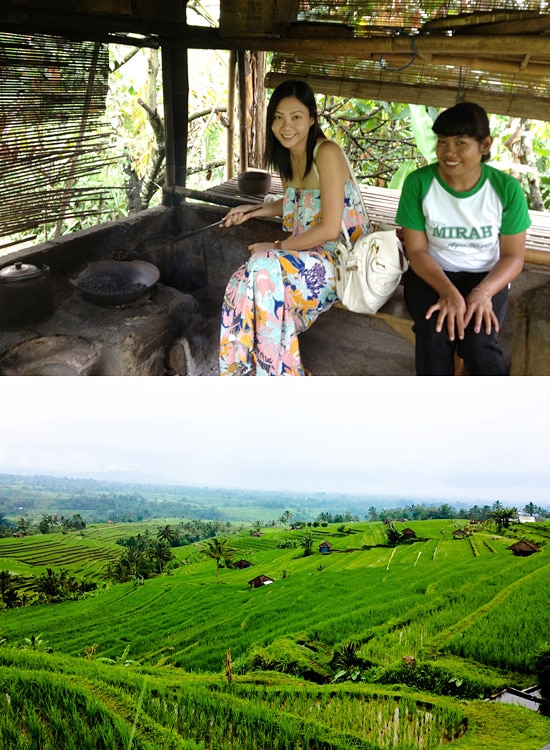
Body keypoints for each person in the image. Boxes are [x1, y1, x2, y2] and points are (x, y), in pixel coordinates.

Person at [219, 80, 368, 376]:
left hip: (337, 263)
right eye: (278, 117)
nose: (287, 126)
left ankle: (273, 376)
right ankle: (243, 373)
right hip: (302, 256)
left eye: (296, 117)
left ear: (312, 118)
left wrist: (275, 247)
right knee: (241, 282)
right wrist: (249, 212)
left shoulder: (327, 153)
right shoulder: (289, 157)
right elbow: (293, 202)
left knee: (262, 273)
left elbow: (328, 229)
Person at [395, 101, 531, 376]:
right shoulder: (418, 183)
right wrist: (447, 291)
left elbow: (513, 257)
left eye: (460, 143)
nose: (449, 152)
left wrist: (482, 293)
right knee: (435, 333)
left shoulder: (506, 189)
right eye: (442, 142)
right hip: (432, 275)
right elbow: (418, 252)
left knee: (479, 342)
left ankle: (503, 414)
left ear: (485, 145)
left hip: (485, 278)